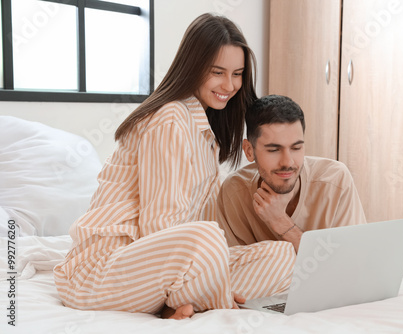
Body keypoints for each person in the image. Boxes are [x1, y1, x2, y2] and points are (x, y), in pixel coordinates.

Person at [53, 14, 295, 320]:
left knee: (283, 255)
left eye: (238, 74)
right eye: (217, 72)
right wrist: (210, 269)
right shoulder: (170, 118)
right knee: (206, 239)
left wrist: (214, 268)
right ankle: (210, 302)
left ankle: (190, 300)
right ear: (193, 67)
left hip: (159, 267)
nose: (229, 85)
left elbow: (194, 228)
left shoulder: (205, 133)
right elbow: (159, 228)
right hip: (102, 271)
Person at [216, 95, 367, 252]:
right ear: (249, 151)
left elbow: (353, 264)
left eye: (296, 148)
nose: (288, 162)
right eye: (274, 150)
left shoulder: (335, 181)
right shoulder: (234, 193)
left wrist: (280, 221)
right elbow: (234, 271)